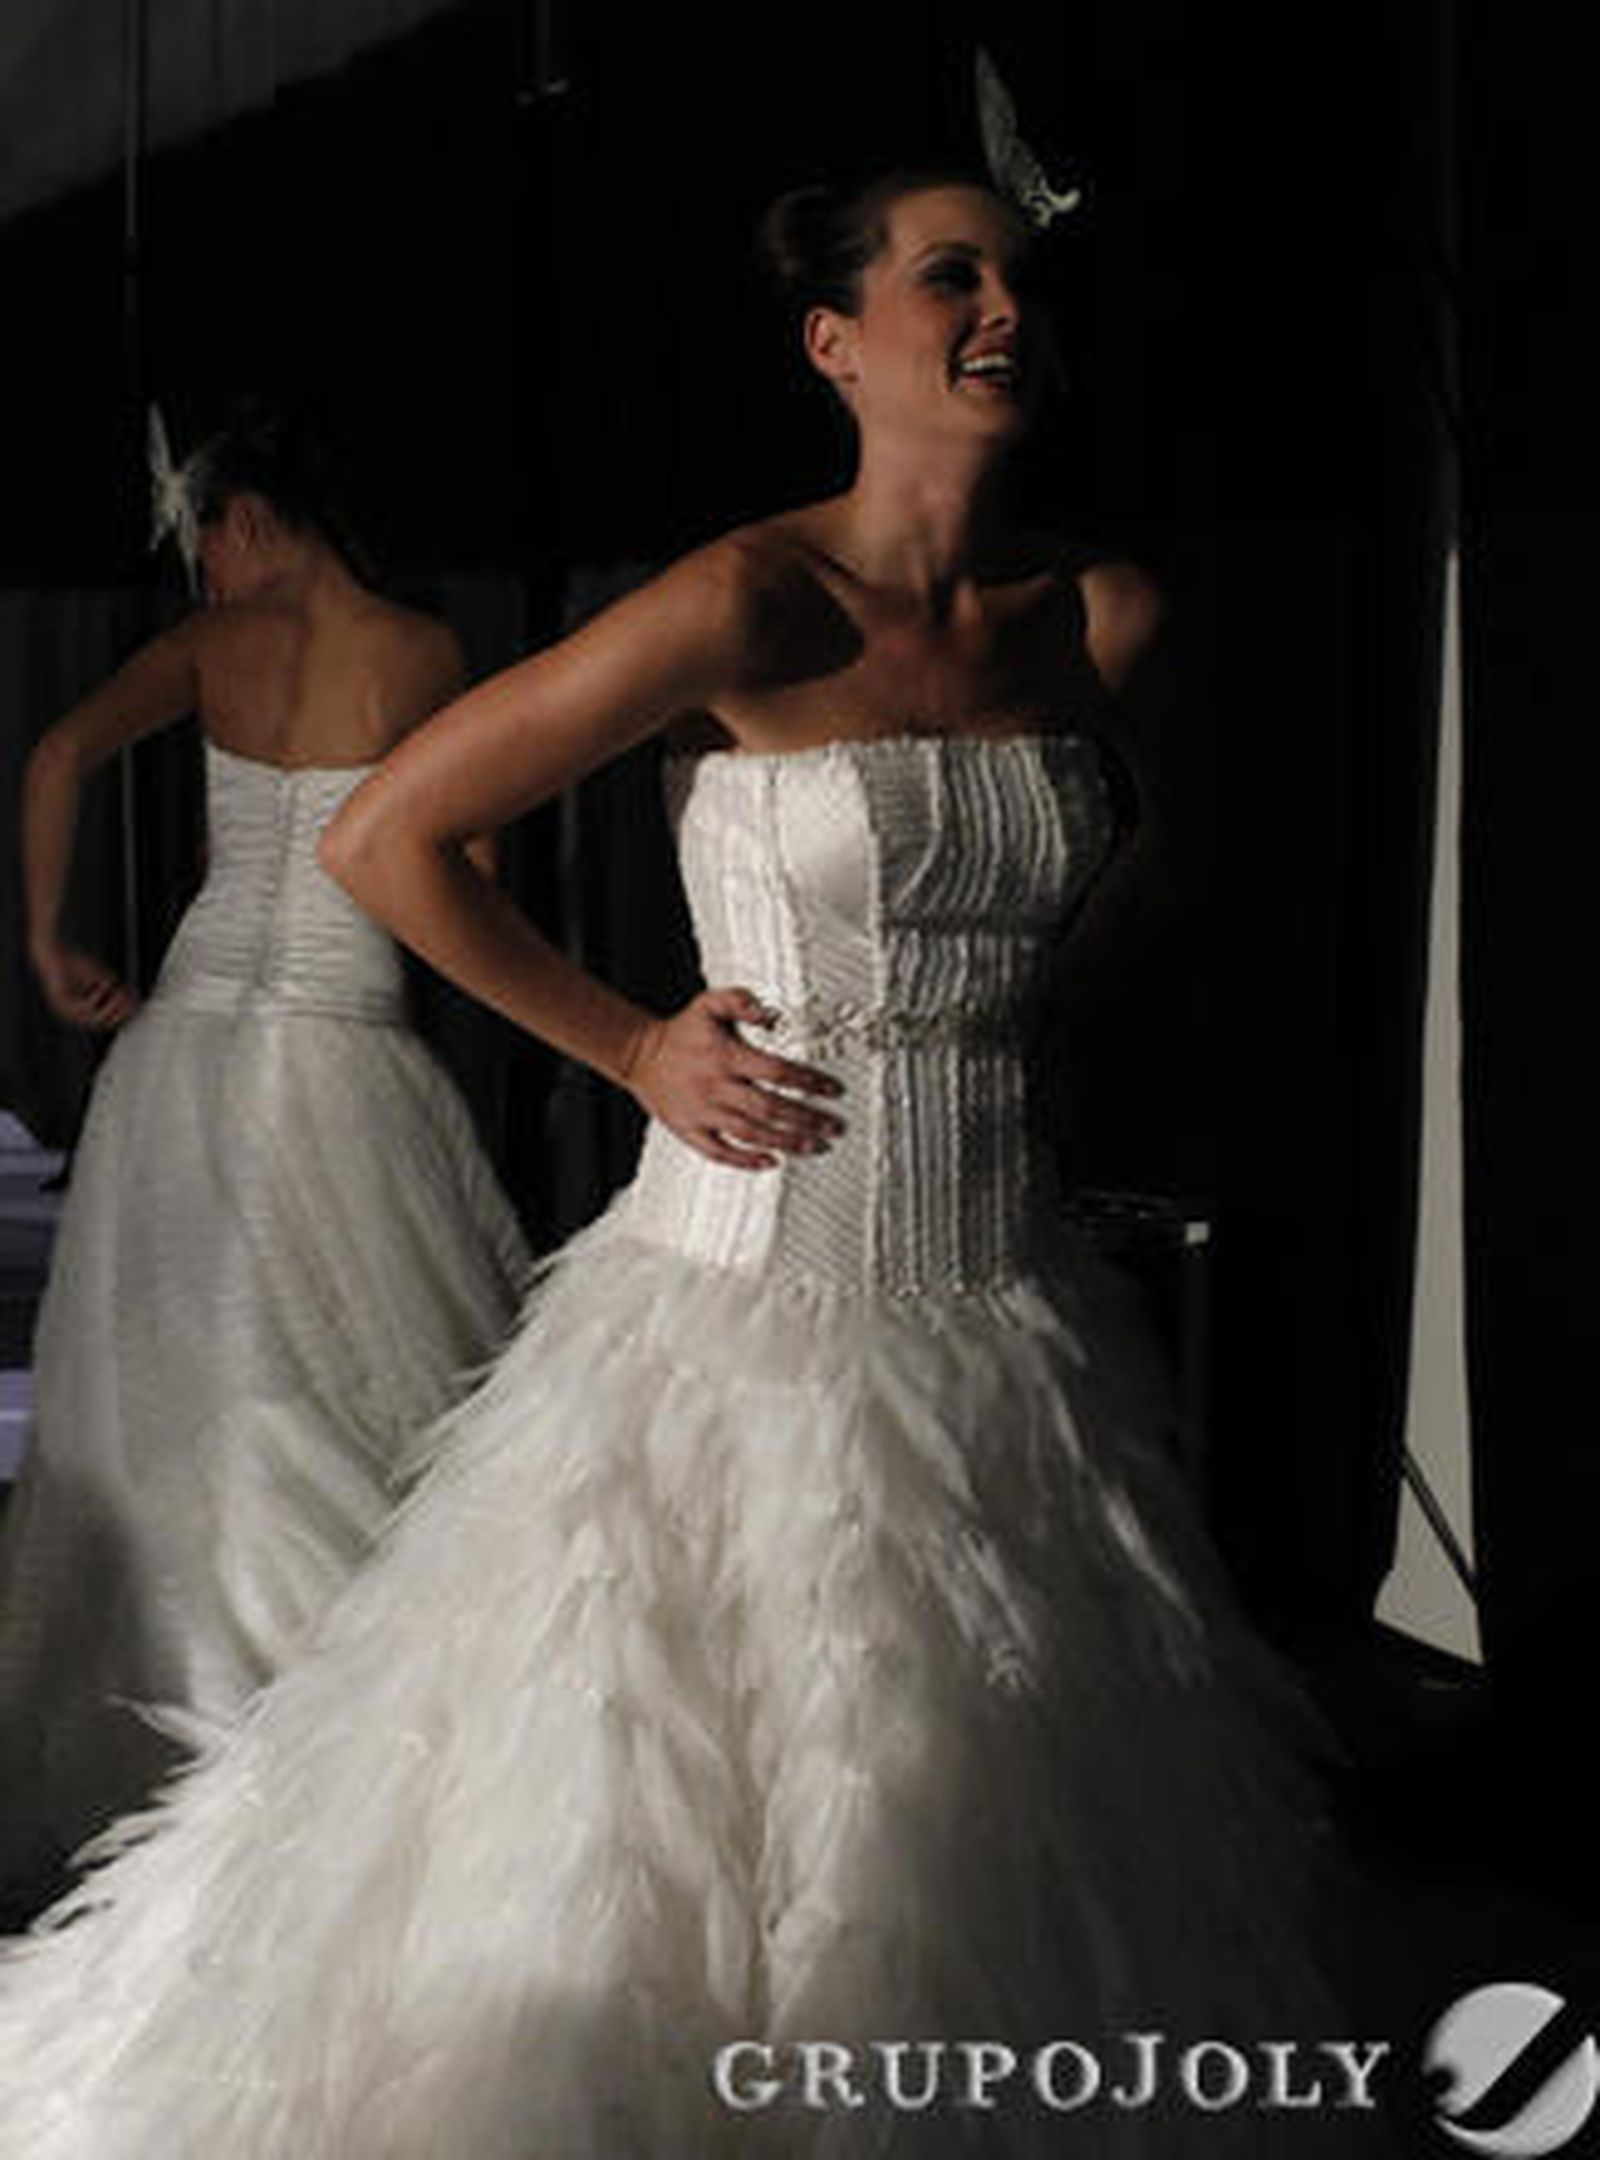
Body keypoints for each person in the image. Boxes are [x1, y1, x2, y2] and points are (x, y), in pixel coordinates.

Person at [0, 184, 1389, 2154]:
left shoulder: (1094, 615)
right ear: (833, 347)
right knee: (719, 1804)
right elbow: (386, 837)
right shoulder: (748, 601)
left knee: (1003, 1822)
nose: (1001, 310)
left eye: (1018, 281)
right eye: (950, 278)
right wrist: (633, 1047)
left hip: (1002, 1318)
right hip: (742, 1303)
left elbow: (1179, 832)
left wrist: (1039, 1003)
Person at [0, 408, 531, 1919]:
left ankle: (194, 1710)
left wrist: (47, 942)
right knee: (354, 1380)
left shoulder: (212, 652)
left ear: (243, 518)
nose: (204, 574)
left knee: (177, 1382)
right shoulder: (420, 650)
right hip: (347, 1039)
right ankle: (350, 1725)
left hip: (188, 1037)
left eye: (202, 544)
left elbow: (54, 753)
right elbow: (462, 871)